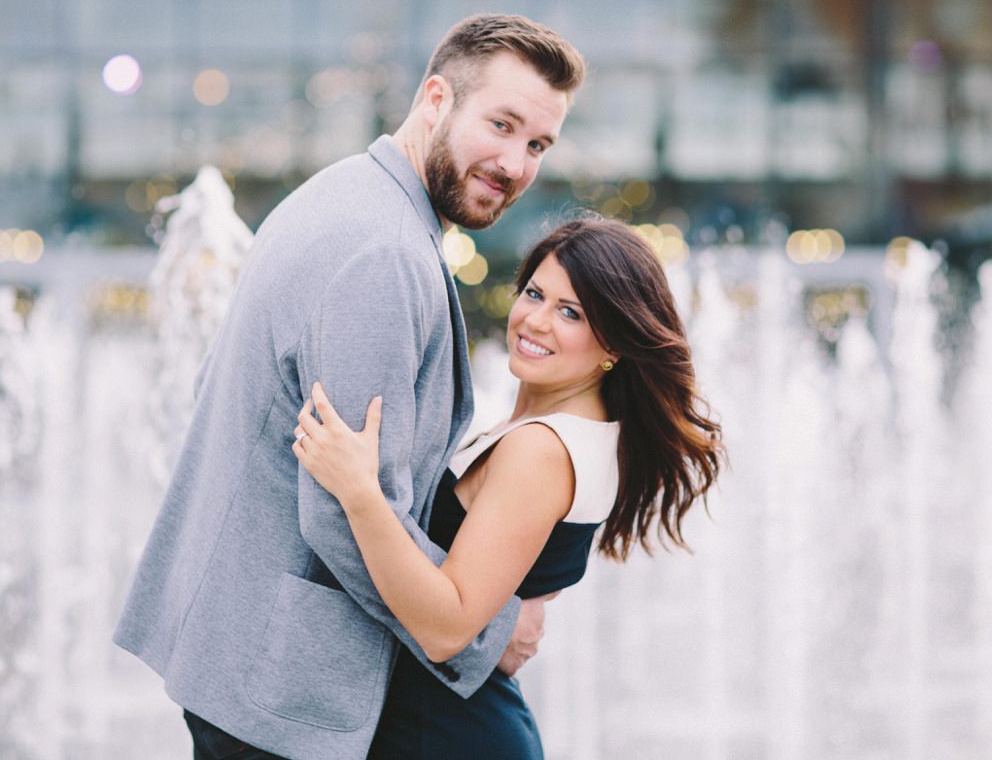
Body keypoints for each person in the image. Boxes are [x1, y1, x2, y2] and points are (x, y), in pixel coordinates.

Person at [113, 14, 587, 760]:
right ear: (436, 99)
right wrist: (488, 632)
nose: (515, 162)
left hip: (247, 657)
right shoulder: (380, 252)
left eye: (537, 144)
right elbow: (339, 512)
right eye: (500, 124)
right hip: (277, 687)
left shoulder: (346, 197)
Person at [292, 216, 725, 758]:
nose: (536, 321)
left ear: (614, 343)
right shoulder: (562, 433)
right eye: (535, 294)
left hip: (449, 735)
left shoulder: (540, 450)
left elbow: (447, 627)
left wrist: (359, 493)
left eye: (570, 313)